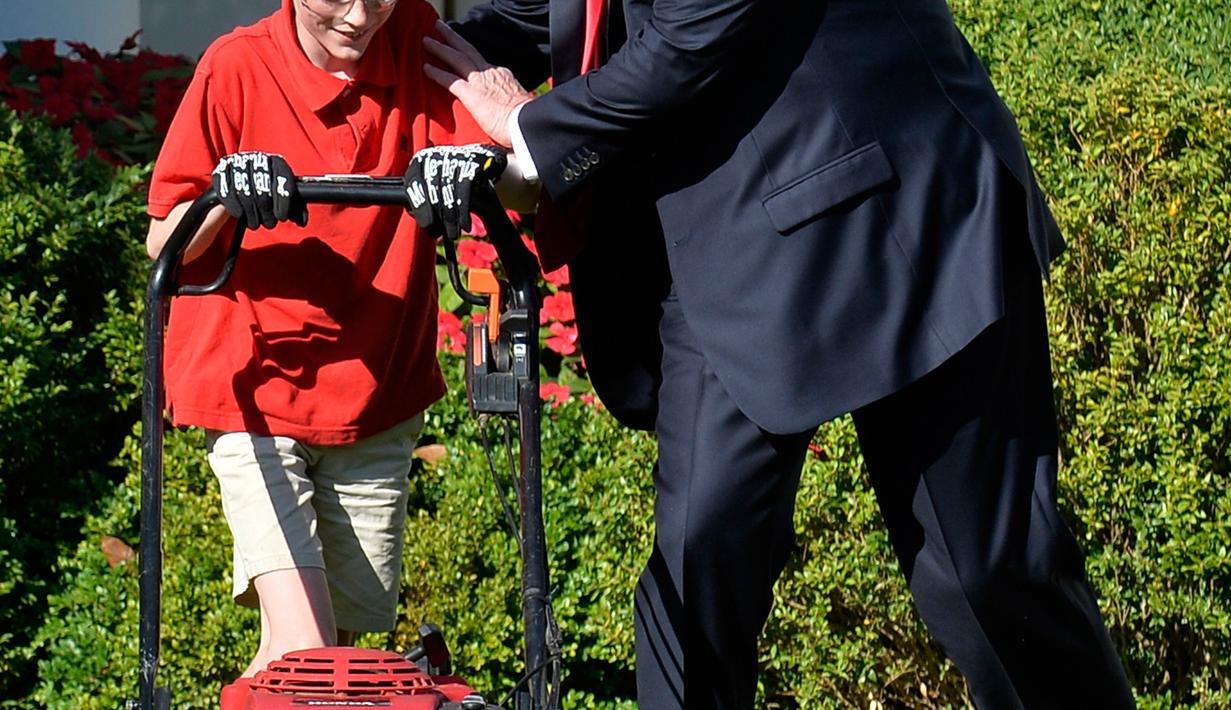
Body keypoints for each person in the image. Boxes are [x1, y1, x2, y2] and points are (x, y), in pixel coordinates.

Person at [408, 0, 1139, 707]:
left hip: (901, 211)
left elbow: (694, 34)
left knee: (987, 577)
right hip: (723, 251)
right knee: (694, 569)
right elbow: (553, 12)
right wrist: (380, 42)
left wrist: (524, 123)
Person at [144, 0, 530, 701]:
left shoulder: (418, 45)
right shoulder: (238, 67)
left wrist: (476, 163)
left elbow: (524, 185)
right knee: (307, 653)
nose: (358, 17)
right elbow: (162, 239)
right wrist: (228, 195)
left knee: (333, 664)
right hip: (252, 388)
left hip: (374, 395)